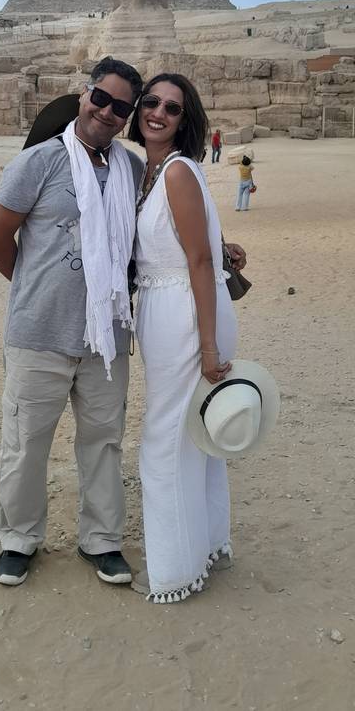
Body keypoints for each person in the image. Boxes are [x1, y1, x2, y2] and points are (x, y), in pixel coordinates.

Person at [0, 57, 144, 588]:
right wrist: (35, 288)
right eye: (101, 97)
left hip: (107, 338)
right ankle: (18, 538)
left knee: (104, 441)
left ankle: (102, 539)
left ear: (129, 116)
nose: (107, 111)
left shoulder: (133, 170)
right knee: (27, 442)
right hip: (41, 334)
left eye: (121, 107)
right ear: (84, 93)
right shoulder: (40, 161)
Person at [128, 73, 245, 603]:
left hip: (184, 315)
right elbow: (195, 243)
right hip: (169, 308)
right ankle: (207, 545)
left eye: (172, 108)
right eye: (150, 102)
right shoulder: (151, 170)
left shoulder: (174, 172)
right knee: (197, 435)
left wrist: (209, 347)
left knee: (164, 440)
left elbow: (199, 259)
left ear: (184, 119)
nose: (158, 112)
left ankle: (174, 572)